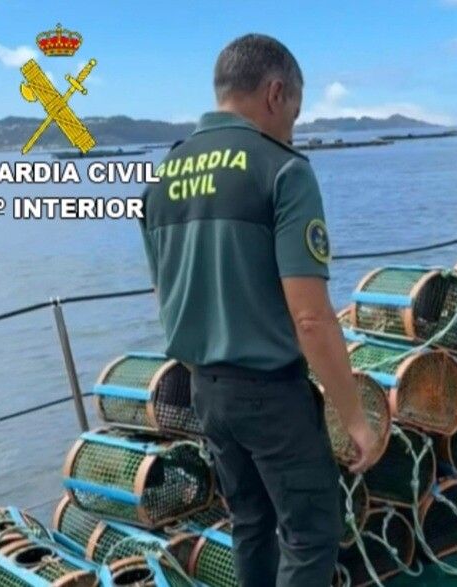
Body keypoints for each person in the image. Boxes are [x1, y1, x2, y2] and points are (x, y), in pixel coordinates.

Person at [139, 33, 380, 587]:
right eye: (295, 111)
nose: (293, 126)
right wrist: (355, 420)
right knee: (312, 532)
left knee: (251, 523)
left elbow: (165, 294)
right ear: (276, 93)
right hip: (270, 394)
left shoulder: (162, 177)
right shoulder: (283, 171)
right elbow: (312, 318)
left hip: (206, 390)